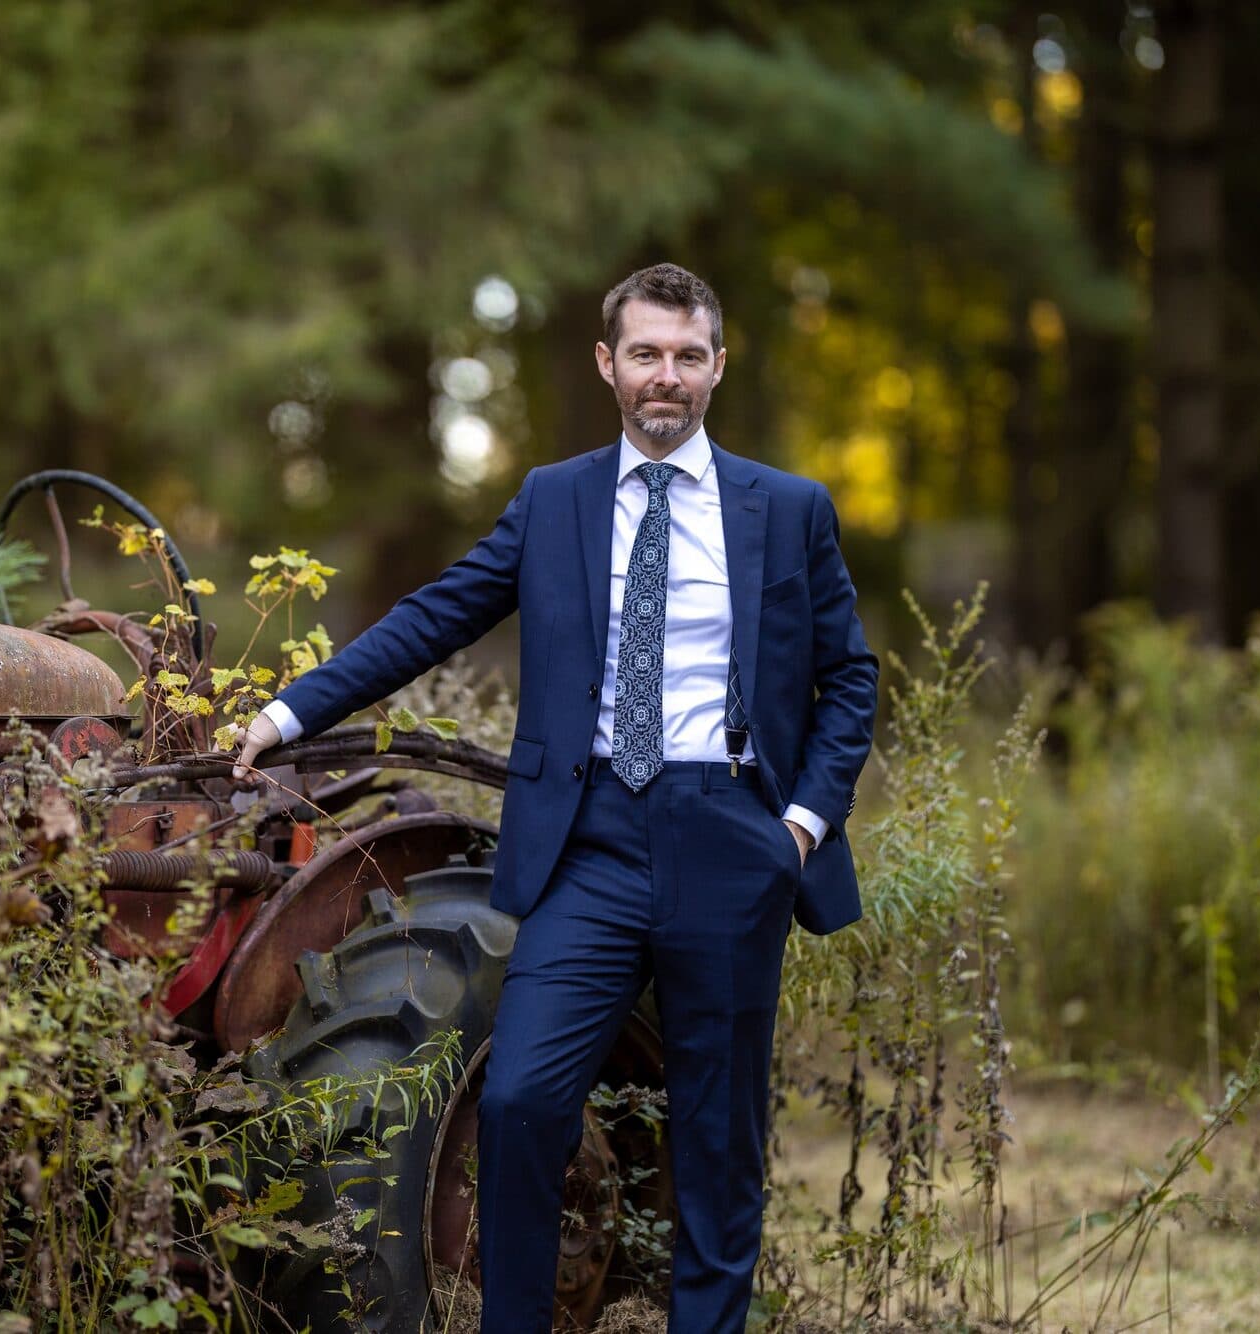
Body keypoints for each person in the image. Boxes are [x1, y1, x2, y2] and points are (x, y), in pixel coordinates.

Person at [231, 263, 878, 1332]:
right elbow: (435, 614)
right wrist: (288, 712)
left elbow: (847, 677)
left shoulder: (788, 509)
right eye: (642, 354)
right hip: (588, 843)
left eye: (684, 354)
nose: (662, 376)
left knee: (716, 1142)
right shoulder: (554, 499)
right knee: (523, 1099)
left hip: (732, 836)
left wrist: (798, 827)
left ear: (716, 363)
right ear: (605, 363)